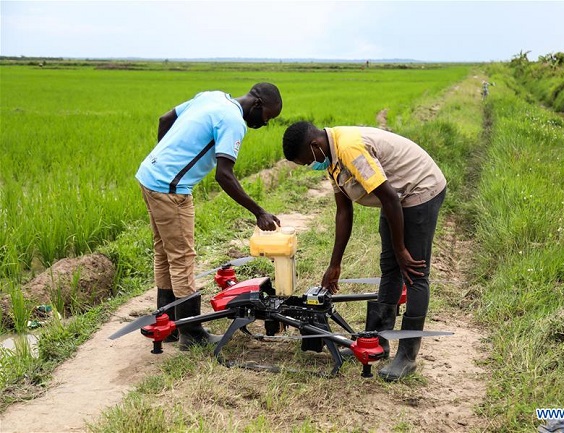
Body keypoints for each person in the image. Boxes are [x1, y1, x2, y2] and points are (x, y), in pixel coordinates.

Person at [282, 121, 446, 381]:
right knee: (390, 267)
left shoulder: (348, 149)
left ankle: (407, 356)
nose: (309, 167)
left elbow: (390, 198)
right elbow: (344, 211)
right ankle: (378, 342)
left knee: (413, 270)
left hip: (419, 189)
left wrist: (401, 247)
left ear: (314, 146)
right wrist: (334, 264)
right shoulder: (332, 158)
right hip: (395, 196)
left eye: (306, 162)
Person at [136, 83, 283, 350]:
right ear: (258, 105)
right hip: (170, 190)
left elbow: (165, 118)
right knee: (181, 257)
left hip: (149, 177)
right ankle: (191, 333)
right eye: (267, 118)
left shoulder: (211, 97)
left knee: (165, 253)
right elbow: (224, 175)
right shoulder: (233, 121)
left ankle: (167, 323)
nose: (265, 124)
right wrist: (258, 211)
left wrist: (165, 158)